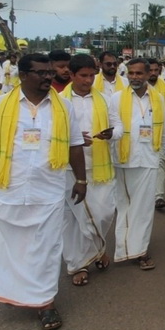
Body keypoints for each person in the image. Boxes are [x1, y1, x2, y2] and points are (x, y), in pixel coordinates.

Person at [0, 53, 86, 330]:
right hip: (8, 188)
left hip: (48, 189)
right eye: (41, 72)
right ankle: (16, 292)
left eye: (50, 72)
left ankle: (45, 303)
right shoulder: (0, 106)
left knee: (47, 249)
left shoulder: (64, 107)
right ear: (23, 75)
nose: (48, 77)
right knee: (11, 247)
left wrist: (81, 180)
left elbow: (75, 146)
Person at [61, 54, 120, 286]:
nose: (88, 80)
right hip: (70, 168)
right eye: (83, 76)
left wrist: (111, 134)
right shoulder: (59, 101)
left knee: (104, 213)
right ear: (72, 75)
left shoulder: (106, 99)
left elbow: (119, 127)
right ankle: (78, 264)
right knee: (75, 219)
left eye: (91, 76)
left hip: (101, 165)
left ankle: (97, 248)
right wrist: (73, 140)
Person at [110, 58, 165, 270]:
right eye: (131, 73)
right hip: (125, 159)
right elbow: (115, 126)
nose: (134, 77)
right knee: (125, 205)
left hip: (149, 158)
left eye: (138, 73)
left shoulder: (158, 98)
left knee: (144, 209)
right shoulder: (116, 99)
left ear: (147, 74)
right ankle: (123, 247)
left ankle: (139, 250)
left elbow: (164, 131)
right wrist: (111, 136)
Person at [146, 57, 165, 212]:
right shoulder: (135, 87)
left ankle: (158, 197)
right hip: (139, 134)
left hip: (159, 131)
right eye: (151, 70)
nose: (154, 73)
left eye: (157, 70)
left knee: (160, 163)